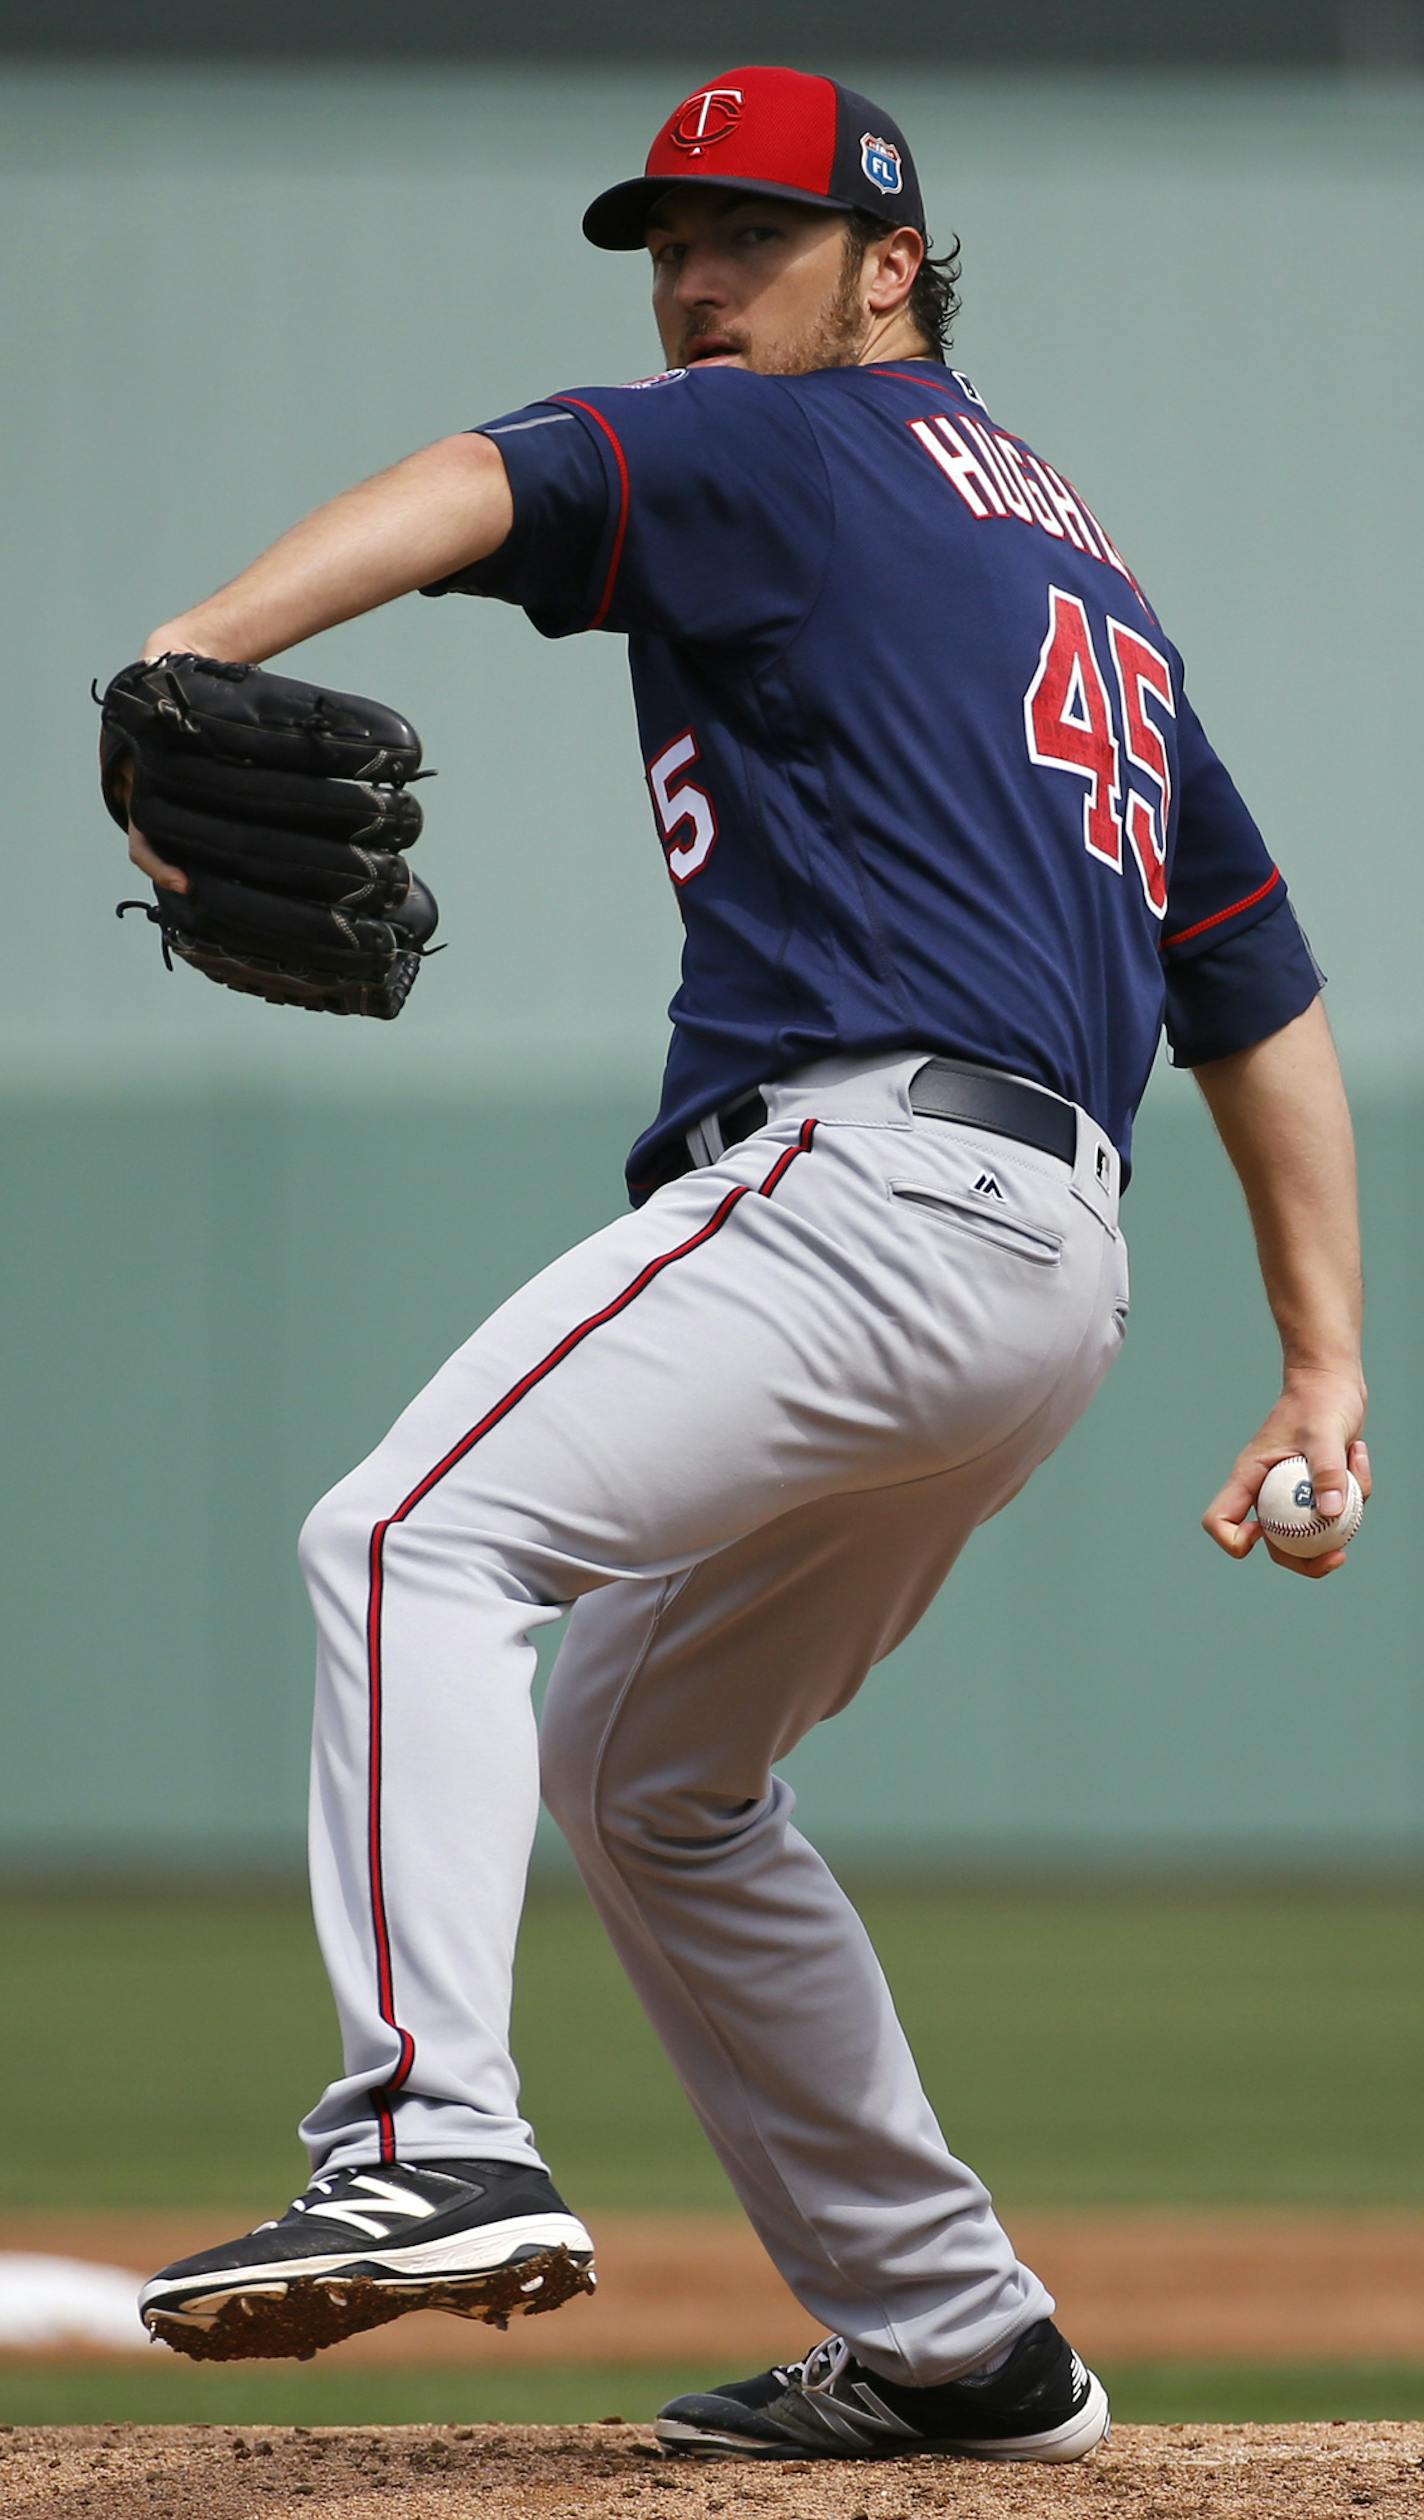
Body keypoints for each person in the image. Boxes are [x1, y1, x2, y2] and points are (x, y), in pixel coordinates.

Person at [124, 65, 1367, 2466]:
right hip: (1046, 1276)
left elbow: (506, 474)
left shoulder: (788, 443)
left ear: (887, 264)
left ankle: (418, 2141)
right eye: (671, 240)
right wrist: (1324, 1359)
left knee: (405, 1536)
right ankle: (955, 2339)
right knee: (657, 1770)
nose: (698, 285)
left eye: (756, 236)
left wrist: (180, 654)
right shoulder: (1076, 567)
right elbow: (1250, 966)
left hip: (876, 1190)